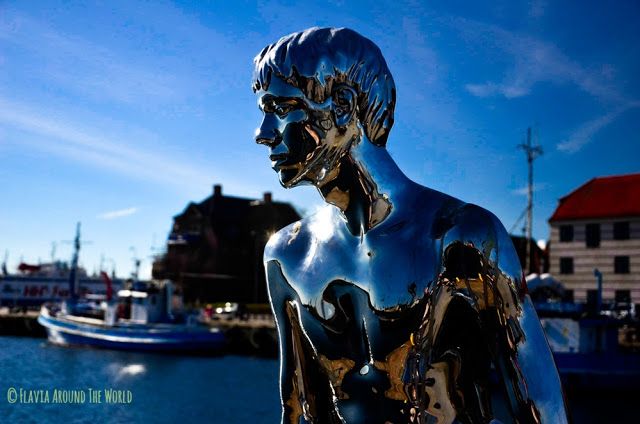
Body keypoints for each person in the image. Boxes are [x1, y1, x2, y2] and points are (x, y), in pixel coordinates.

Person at [253, 27, 568, 424]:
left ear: (345, 106)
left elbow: (539, 402)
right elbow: (299, 406)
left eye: (281, 109)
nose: (262, 134)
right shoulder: (285, 254)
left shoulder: (460, 236)